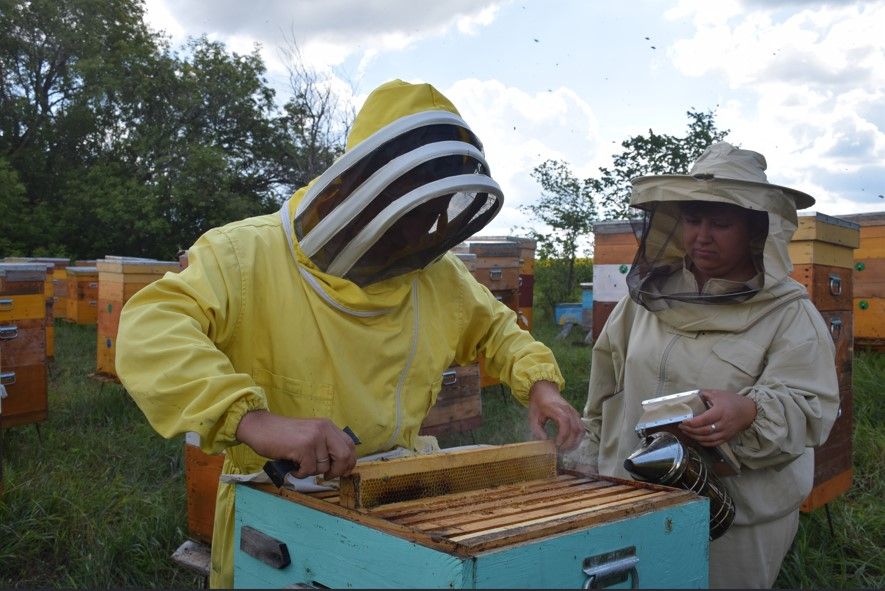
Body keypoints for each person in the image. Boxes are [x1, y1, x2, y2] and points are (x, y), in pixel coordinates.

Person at [115, 79, 584, 588]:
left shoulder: (438, 276)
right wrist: (253, 420)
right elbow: (150, 327)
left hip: (401, 505)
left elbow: (496, 328)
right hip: (278, 517)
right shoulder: (246, 255)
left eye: (431, 211)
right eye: (408, 207)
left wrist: (541, 387)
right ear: (361, 187)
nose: (419, 230)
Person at [570, 142, 839, 588]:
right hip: (633, 496)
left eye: (721, 223)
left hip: (733, 519)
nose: (702, 235)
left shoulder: (789, 313)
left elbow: (810, 407)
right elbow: (606, 389)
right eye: (693, 220)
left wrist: (749, 411)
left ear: (754, 229)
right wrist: (585, 459)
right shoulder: (647, 298)